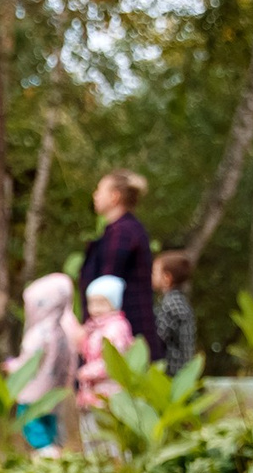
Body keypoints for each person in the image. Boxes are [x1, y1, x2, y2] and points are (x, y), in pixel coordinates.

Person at [78, 170, 159, 359]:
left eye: (100, 190)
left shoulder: (123, 233)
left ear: (115, 196)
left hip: (123, 335)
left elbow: (108, 281)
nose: (95, 195)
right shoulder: (120, 231)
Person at [10, 272, 80, 453]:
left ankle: (48, 456)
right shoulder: (62, 330)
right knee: (50, 424)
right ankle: (58, 453)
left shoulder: (38, 334)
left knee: (31, 425)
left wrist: (13, 367)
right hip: (54, 392)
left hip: (33, 392)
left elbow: (29, 362)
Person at [78, 274, 134, 411]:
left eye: (102, 303)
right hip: (93, 392)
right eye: (92, 303)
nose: (96, 308)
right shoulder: (93, 327)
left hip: (110, 391)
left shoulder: (117, 327)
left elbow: (114, 359)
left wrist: (87, 372)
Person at [153, 248, 197, 372]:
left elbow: (159, 335)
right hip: (183, 368)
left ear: (167, 278)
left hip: (172, 369)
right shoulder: (179, 301)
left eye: (154, 272)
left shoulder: (170, 305)